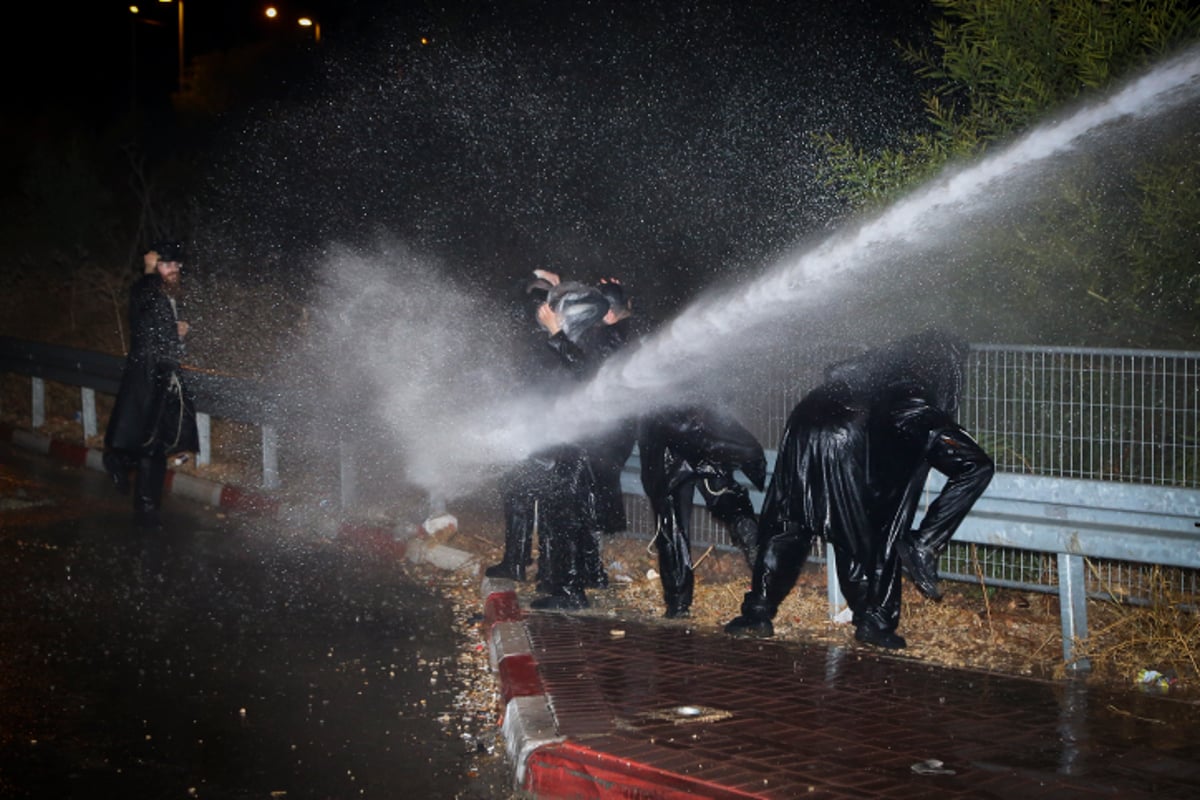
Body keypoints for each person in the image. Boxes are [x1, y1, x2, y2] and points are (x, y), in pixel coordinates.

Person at [725, 329, 993, 648]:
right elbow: (949, 448)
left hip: (808, 417)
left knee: (788, 522)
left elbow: (837, 374)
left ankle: (757, 613)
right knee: (870, 527)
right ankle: (877, 617)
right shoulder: (915, 384)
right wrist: (926, 536)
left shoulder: (877, 364)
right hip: (850, 431)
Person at [102, 241, 199, 529]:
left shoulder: (168, 294)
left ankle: (133, 483)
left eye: (176, 265)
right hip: (147, 377)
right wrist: (147, 269)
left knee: (156, 445)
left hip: (164, 377)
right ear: (154, 266)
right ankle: (143, 506)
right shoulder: (147, 288)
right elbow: (142, 301)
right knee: (150, 445)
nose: (174, 270)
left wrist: (178, 335)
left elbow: (161, 337)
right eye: (167, 265)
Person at [638, 405, 767, 618]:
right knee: (722, 493)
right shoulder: (700, 381)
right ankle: (740, 520)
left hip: (667, 452)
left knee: (672, 526)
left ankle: (678, 604)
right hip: (706, 438)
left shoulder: (653, 389)